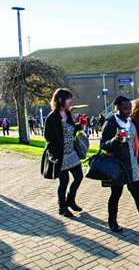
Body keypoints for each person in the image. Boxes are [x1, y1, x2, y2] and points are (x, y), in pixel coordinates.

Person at [100, 96, 139, 236]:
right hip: (119, 166)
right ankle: (112, 221)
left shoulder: (132, 121)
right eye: (125, 108)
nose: (128, 111)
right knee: (116, 194)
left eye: (129, 108)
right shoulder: (111, 123)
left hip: (134, 165)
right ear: (117, 107)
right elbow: (103, 145)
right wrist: (116, 140)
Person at [44, 88, 84, 217]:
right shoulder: (52, 117)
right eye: (68, 98)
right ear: (60, 99)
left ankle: (70, 200)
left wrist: (79, 125)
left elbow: (70, 130)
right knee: (64, 181)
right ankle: (62, 207)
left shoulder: (67, 112)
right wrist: (52, 155)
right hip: (60, 154)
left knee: (78, 176)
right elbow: (48, 138)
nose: (70, 101)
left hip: (71, 153)